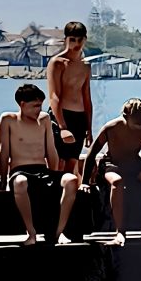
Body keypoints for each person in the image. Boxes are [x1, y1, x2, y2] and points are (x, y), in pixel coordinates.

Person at [0, 83, 79, 245]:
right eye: (35, 106)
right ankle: (31, 232)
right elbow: (3, 152)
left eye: (40, 105)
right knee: (20, 182)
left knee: (71, 180)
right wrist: (3, 181)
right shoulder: (8, 120)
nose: (38, 110)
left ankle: (58, 232)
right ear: (22, 104)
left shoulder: (44, 119)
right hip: (20, 170)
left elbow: (51, 150)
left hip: (42, 170)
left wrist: (54, 175)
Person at [81, 97, 141, 245]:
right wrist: (84, 182)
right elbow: (91, 153)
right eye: (136, 125)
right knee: (117, 182)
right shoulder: (111, 128)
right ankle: (120, 232)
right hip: (112, 164)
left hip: (134, 163)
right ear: (126, 117)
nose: (140, 128)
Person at [46, 20, 93, 175]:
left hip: (80, 118)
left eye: (80, 39)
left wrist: (89, 128)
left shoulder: (85, 65)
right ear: (65, 39)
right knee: (58, 163)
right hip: (62, 116)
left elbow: (87, 97)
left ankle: (69, 191)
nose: (76, 44)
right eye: (72, 39)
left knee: (72, 163)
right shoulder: (57, 63)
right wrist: (62, 127)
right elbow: (54, 96)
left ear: (85, 39)